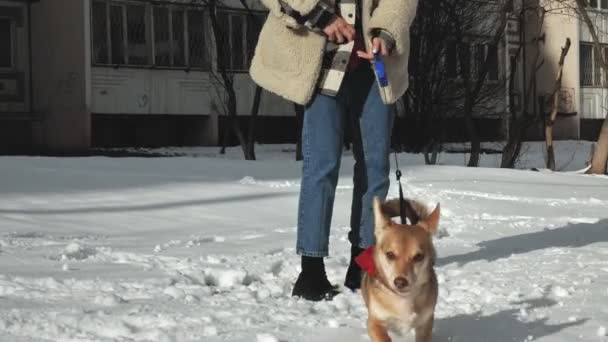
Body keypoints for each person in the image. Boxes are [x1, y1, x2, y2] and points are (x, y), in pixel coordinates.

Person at [250, 0, 418, 301]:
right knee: (321, 165)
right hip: (321, 62)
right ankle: (311, 270)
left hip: (373, 65)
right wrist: (320, 14)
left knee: (375, 167)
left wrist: (386, 33)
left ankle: (365, 264)